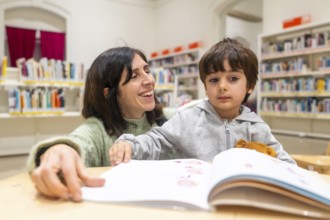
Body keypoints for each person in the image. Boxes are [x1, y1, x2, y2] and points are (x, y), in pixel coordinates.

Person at [109, 38, 296, 166]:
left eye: (233, 78)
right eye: (214, 80)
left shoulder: (257, 127)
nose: (222, 87)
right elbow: (155, 141)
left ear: (250, 86)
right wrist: (128, 144)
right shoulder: (187, 119)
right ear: (205, 87)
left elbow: (285, 163)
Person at [26, 46, 169, 202]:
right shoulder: (98, 130)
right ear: (109, 93)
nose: (150, 81)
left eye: (147, 71)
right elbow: (78, 142)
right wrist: (59, 151)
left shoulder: (169, 119)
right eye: (134, 76)